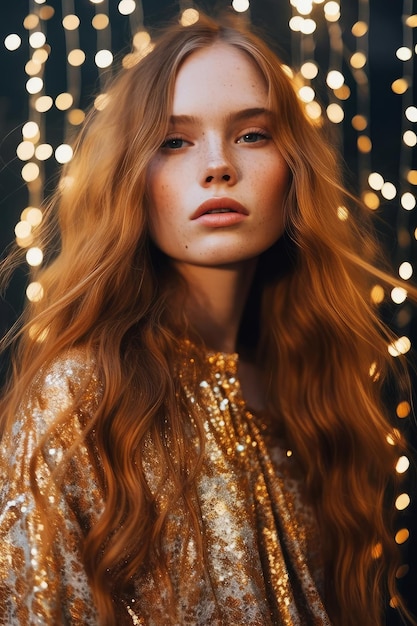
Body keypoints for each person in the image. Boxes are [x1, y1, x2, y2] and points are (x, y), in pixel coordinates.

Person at [0, 12, 414, 626]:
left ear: (293, 168)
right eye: (174, 141)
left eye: (252, 135)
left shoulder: (311, 392)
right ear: (129, 178)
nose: (218, 165)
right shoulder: (80, 395)